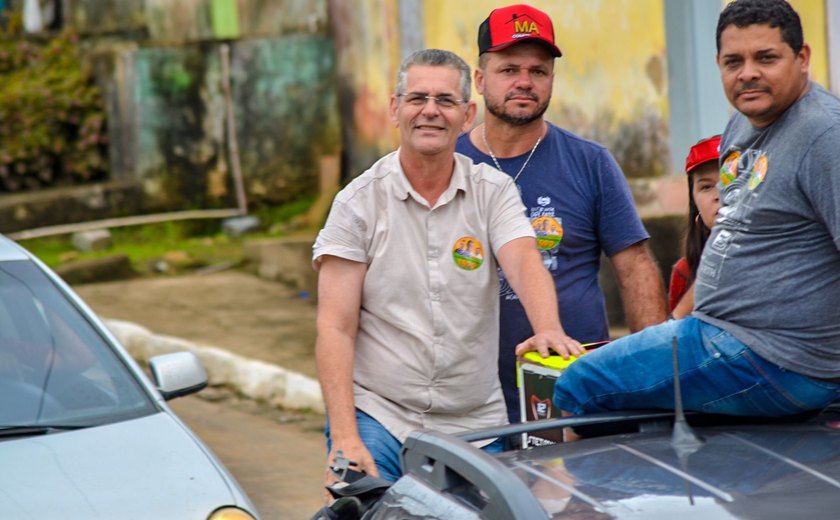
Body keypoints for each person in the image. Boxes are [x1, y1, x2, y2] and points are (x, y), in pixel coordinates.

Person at [551, 0, 840, 421]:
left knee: (578, 384)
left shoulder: (824, 135)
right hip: (725, 338)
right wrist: (673, 323)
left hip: (775, 357)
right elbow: (730, 238)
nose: (747, 73)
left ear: (803, 58)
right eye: (733, 61)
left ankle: (579, 488)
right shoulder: (744, 121)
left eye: (766, 58)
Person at [312, 48, 581, 485]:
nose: (430, 112)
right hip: (380, 416)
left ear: (467, 114)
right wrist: (344, 435)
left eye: (445, 101)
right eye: (417, 99)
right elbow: (335, 328)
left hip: (476, 425)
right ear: (396, 109)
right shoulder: (357, 203)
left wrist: (548, 326)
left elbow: (523, 257)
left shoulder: (492, 191)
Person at [455, 3, 667, 423]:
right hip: (468, 399)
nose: (524, 82)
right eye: (509, 69)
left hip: (572, 393)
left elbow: (635, 267)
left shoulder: (590, 163)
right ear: (480, 80)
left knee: (571, 490)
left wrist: (653, 379)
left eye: (538, 71)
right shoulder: (449, 163)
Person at [668, 135, 721, 319]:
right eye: (706, 187)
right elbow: (674, 339)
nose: (718, 195)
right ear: (694, 203)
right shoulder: (685, 271)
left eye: (729, 181)